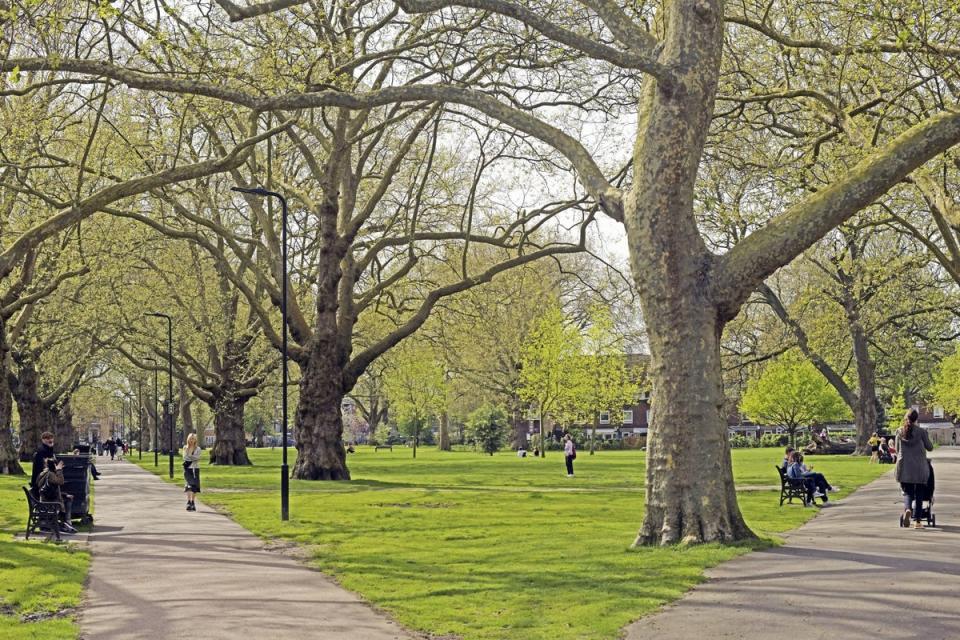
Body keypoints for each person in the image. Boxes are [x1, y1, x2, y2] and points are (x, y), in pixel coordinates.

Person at [896, 409, 934, 529]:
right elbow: (930, 447)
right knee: (919, 493)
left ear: (906, 418)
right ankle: (917, 521)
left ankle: (908, 510)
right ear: (916, 419)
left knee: (908, 492)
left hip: (905, 467)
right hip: (919, 467)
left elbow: (897, 450)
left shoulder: (899, 431)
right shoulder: (922, 432)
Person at [37, 457, 77, 534]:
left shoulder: (46, 473)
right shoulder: (50, 475)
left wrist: (65, 495)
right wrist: (59, 470)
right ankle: (66, 522)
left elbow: (52, 490)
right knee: (66, 501)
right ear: (54, 465)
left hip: (48, 500)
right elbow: (61, 481)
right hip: (49, 502)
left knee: (68, 499)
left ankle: (66, 523)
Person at [31, 431, 57, 496]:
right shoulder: (41, 451)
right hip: (42, 483)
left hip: (47, 480)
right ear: (43, 440)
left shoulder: (49, 450)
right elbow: (40, 469)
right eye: (47, 438)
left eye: (51, 438)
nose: (50, 440)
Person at [182, 433, 202, 511]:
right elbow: (185, 457)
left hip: (195, 468)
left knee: (195, 486)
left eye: (193, 438)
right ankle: (188, 501)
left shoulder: (198, 449)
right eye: (190, 438)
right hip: (187, 469)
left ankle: (192, 502)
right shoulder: (185, 448)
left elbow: (197, 458)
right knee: (189, 485)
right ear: (188, 439)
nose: (191, 440)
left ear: (195, 440)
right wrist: (192, 457)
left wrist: (190, 455)